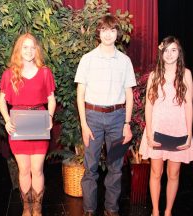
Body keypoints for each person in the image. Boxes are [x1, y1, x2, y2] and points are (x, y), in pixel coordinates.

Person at [75, 15, 136, 216]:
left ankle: (111, 209)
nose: (108, 34)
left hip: (118, 119)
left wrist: (127, 124)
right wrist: (83, 124)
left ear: (117, 33)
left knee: (116, 167)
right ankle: (89, 209)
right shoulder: (87, 59)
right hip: (92, 117)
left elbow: (129, 94)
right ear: (98, 33)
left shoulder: (125, 61)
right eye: (104, 30)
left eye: (112, 30)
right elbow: (80, 94)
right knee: (90, 167)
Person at [0, 33, 56, 216]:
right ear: (19, 50)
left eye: (32, 47)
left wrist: (50, 117)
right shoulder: (9, 74)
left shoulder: (45, 72)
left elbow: (51, 99)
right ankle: (26, 206)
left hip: (39, 122)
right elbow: (1, 101)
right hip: (18, 123)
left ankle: (37, 207)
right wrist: (7, 121)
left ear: (36, 50)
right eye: (25, 47)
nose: (29, 51)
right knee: (24, 170)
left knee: (37, 169)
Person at [139, 36, 193, 216]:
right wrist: (148, 134)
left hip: (179, 130)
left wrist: (189, 134)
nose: (170, 54)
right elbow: (148, 105)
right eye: (166, 50)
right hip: (156, 130)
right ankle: (155, 211)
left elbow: (189, 104)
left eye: (174, 50)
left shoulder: (186, 74)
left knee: (174, 174)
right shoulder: (155, 75)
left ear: (179, 53)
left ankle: (168, 211)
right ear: (161, 53)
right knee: (156, 173)